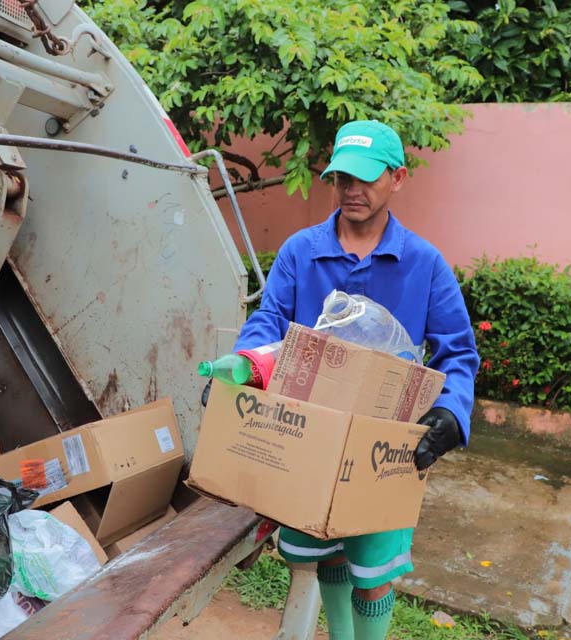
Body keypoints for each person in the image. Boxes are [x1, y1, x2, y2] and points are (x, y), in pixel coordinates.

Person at [232, 120, 480, 640]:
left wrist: (452, 412)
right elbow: (268, 321)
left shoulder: (423, 264)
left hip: (384, 446)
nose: (352, 189)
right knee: (325, 551)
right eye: (343, 176)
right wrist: (244, 364)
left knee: (373, 569)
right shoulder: (302, 252)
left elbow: (458, 351)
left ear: (398, 178)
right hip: (309, 434)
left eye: (367, 178)